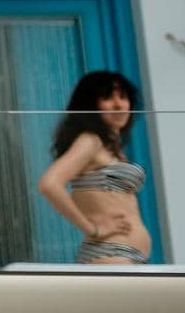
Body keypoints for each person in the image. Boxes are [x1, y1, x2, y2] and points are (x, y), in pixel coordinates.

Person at [35, 70, 152, 265]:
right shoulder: (90, 140)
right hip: (111, 254)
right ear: (90, 105)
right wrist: (93, 229)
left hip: (125, 256)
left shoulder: (111, 148)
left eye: (123, 97)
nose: (118, 105)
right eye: (108, 98)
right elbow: (49, 184)